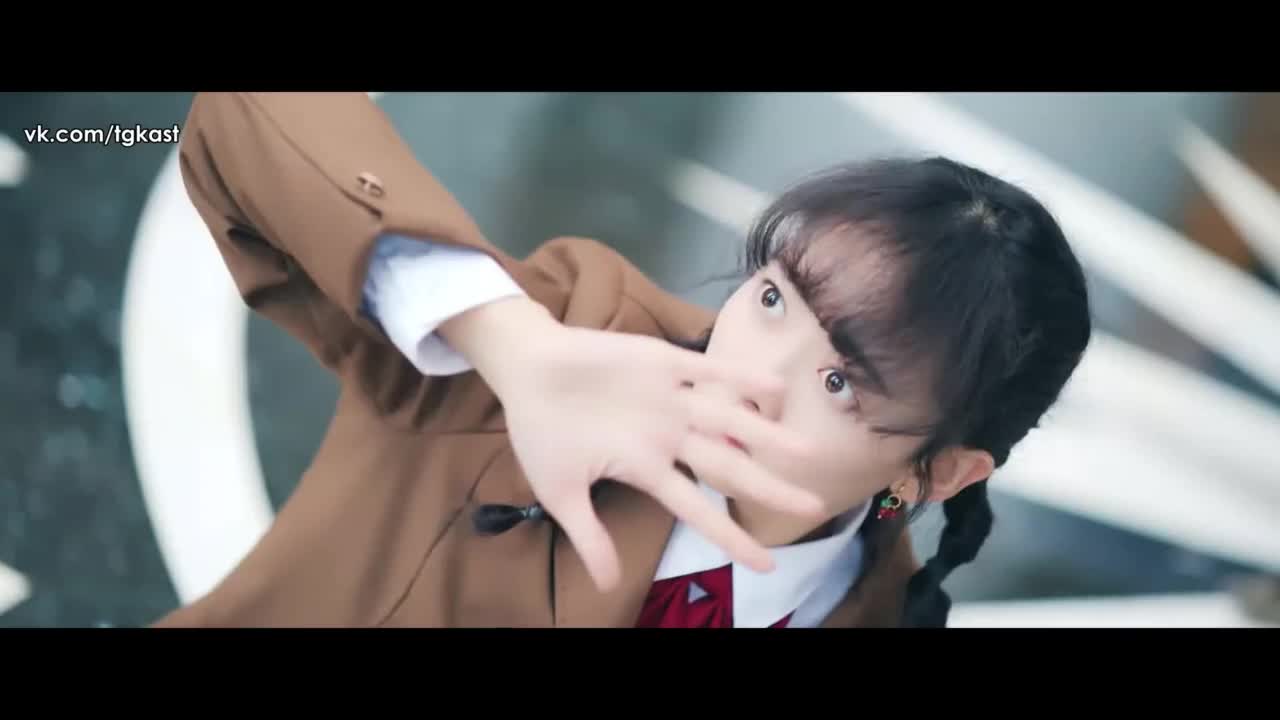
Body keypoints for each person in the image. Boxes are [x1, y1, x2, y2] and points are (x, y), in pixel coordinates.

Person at [151, 92, 1091, 628]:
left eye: (839, 382)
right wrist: (510, 343)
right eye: (771, 300)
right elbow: (244, 117)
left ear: (940, 473)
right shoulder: (583, 333)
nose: (753, 380)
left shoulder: (882, 614)